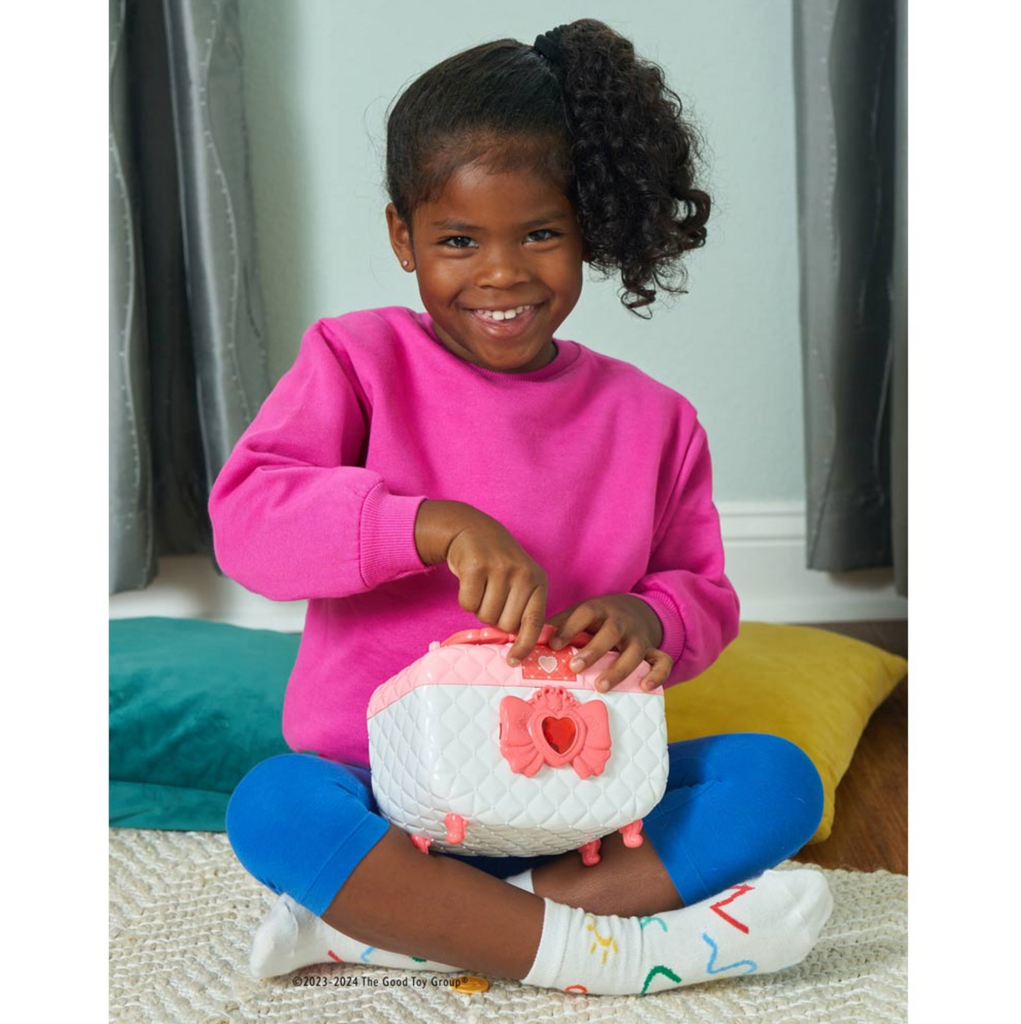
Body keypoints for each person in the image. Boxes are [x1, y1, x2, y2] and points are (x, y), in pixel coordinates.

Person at [211, 19, 831, 997]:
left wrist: (649, 616)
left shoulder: (654, 420)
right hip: (385, 808)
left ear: (590, 227)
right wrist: (425, 523)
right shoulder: (355, 361)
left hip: (583, 804)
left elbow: (701, 593)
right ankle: (606, 953)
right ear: (402, 236)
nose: (501, 274)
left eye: (539, 233)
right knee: (272, 806)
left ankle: (406, 930)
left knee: (779, 781)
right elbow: (250, 517)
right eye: (459, 240)